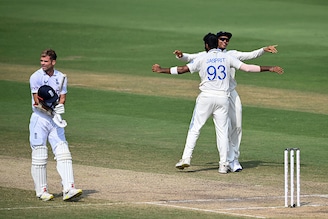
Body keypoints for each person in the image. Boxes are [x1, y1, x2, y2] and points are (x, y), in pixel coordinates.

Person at [152, 33, 283, 174]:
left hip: (206, 98)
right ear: (217, 43)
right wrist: (269, 68)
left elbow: (183, 69)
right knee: (222, 132)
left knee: (195, 128)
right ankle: (223, 165)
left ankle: (186, 159)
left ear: (207, 45)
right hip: (223, 98)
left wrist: (161, 70)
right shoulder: (228, 57)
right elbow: (247, 68)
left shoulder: (202, 57)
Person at [29, 49, 82, 201]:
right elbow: (37, 101)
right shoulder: (36, 77)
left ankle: (69, 188)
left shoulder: (61, 77)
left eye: (46, 61)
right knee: (40, 153)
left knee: (63, 151)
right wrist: (52, 107)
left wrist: (59, 106)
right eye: (41, 61)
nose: (43, 64)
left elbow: (62, 97)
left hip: (55, 119)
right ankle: (42, 191)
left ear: (53, 62)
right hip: (40, 119)